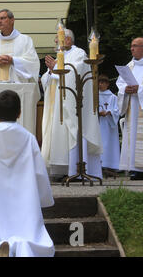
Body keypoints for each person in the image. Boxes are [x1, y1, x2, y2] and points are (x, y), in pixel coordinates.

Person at [0, 90, 54, 257]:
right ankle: (21, 245)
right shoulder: (29, 139)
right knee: (29, 233)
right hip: (25, 203)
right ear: (19, 113)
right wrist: (43, 197)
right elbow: (39, 173)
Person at [41, 29, 102, 181]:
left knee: (73, 132)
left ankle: (76, 169)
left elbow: (76, 72)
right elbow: (48, 78)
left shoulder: (79, 54)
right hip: (57, 105)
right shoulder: (61, 56)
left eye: (58, 38)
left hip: (73, 105)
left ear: (68, 40)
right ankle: (62, 169)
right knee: (58, 135)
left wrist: (56, 68)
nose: (56, 42)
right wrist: (50, 72)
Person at [116, 37, 143, 180]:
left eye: (135, 46)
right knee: (133, 137)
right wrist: (125, 90)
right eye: (131, 46)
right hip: (133, 108)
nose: (131, 48)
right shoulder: (129, 66)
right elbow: (120, 84)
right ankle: (135, 169)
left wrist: (140, 90)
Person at [0, 9, 40, 83]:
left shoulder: (25, 40)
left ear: (12, 20)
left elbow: (33, 62)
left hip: (18, 85)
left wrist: (13, 60)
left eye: (3, 18)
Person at [98, 74, 120, 173]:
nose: (100, 84)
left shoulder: (113, 97)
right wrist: (98, 113)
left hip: (109, 124)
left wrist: (110, 112)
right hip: (98, 124)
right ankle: (99, 165)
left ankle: (110, 165)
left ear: (107, 84)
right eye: (99, 82)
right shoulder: (95, 96)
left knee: (109, 144)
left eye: (102, 82)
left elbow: (118, 110)